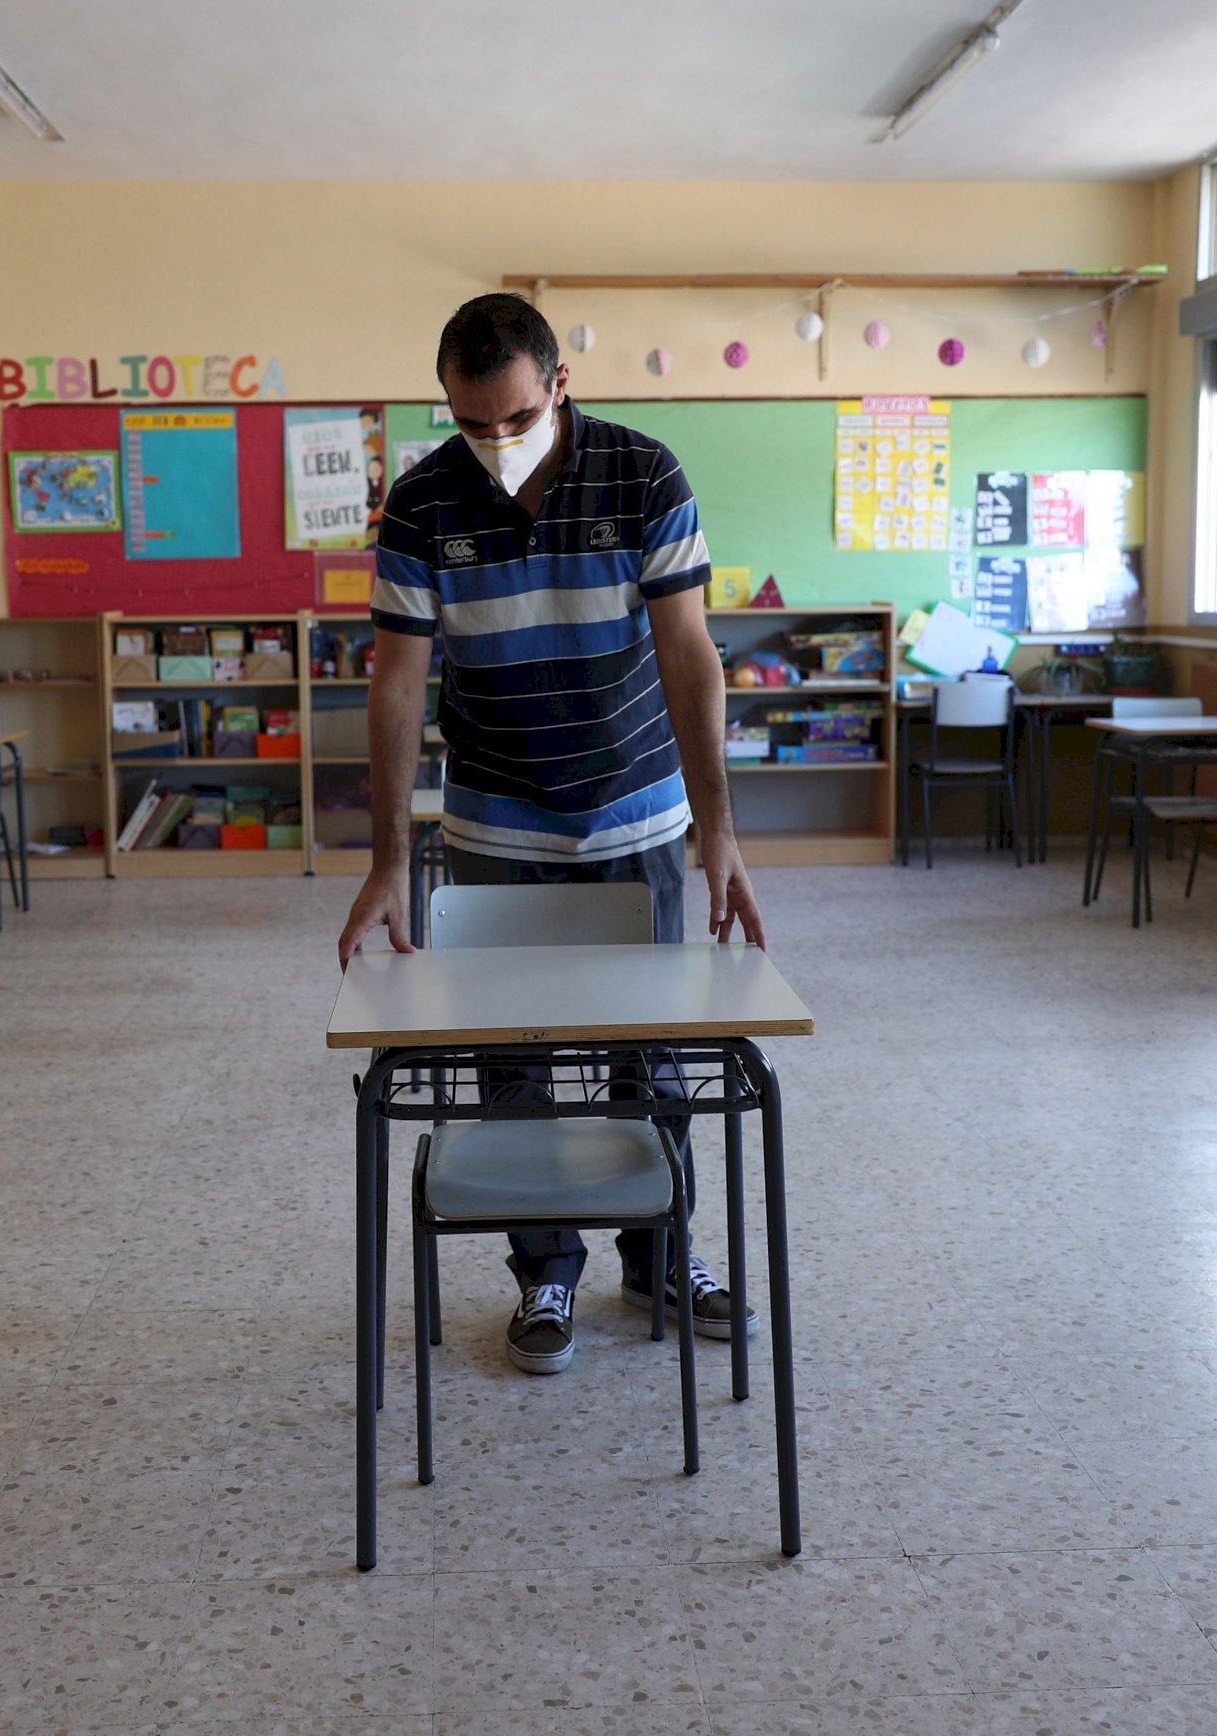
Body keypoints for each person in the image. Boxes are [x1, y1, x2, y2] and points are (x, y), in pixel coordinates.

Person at [335, 292, 766, 1375]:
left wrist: (719, 830)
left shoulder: (641, 472)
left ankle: (660, 1253)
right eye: (470, 422)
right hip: (496, 820)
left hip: (636, 813)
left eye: (514, 417)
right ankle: (546, 1273)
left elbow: (687, 653)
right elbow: (395, 683)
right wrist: (390, 859)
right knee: (514, 1065)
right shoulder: (426, 501)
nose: (493, 442)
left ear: (559, 384)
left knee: (651, 1056)